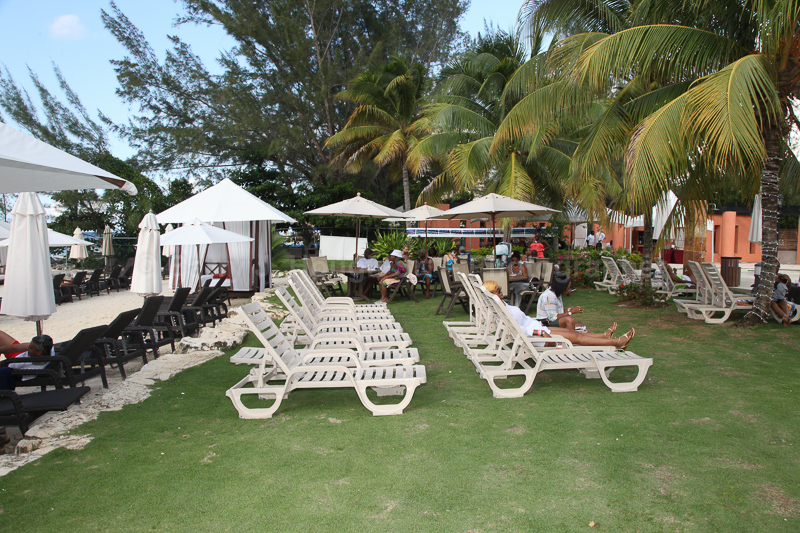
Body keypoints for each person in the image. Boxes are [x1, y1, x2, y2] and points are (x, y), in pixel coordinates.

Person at [483, 281, 633, 348]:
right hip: (535, 336)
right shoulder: (500, 312)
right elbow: (518, 329)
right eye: (498, 290)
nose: (501, 291)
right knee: (577, 338)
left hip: (537, 327)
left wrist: (539, 328)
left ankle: (604, 336)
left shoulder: (502, 305)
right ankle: (616, 342)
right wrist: (540, 333)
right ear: (492, 294)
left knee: (572, 332)